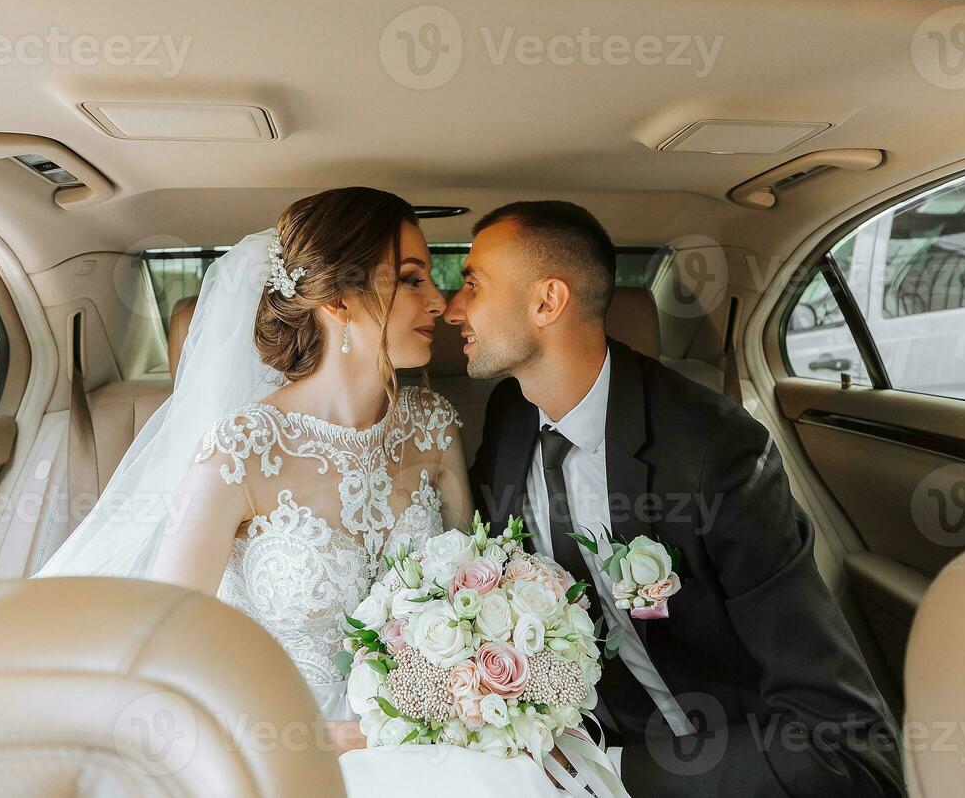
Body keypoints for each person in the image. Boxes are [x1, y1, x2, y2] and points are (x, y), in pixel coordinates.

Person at [37, 187, 571, 797]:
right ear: (340, 299)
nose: (440, 301)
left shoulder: (432, 425)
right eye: (412, 278)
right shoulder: (240, 452)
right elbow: (163, 652)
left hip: (425, 742)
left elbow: (473, 588)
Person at [446, 201, 905, 798]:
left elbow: (852, 747)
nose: (453, 308)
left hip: (719, 760)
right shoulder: (510, 418)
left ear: (546, 302)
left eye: (472, 285)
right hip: (568, 741)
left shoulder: (715, 453)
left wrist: (615, 772)